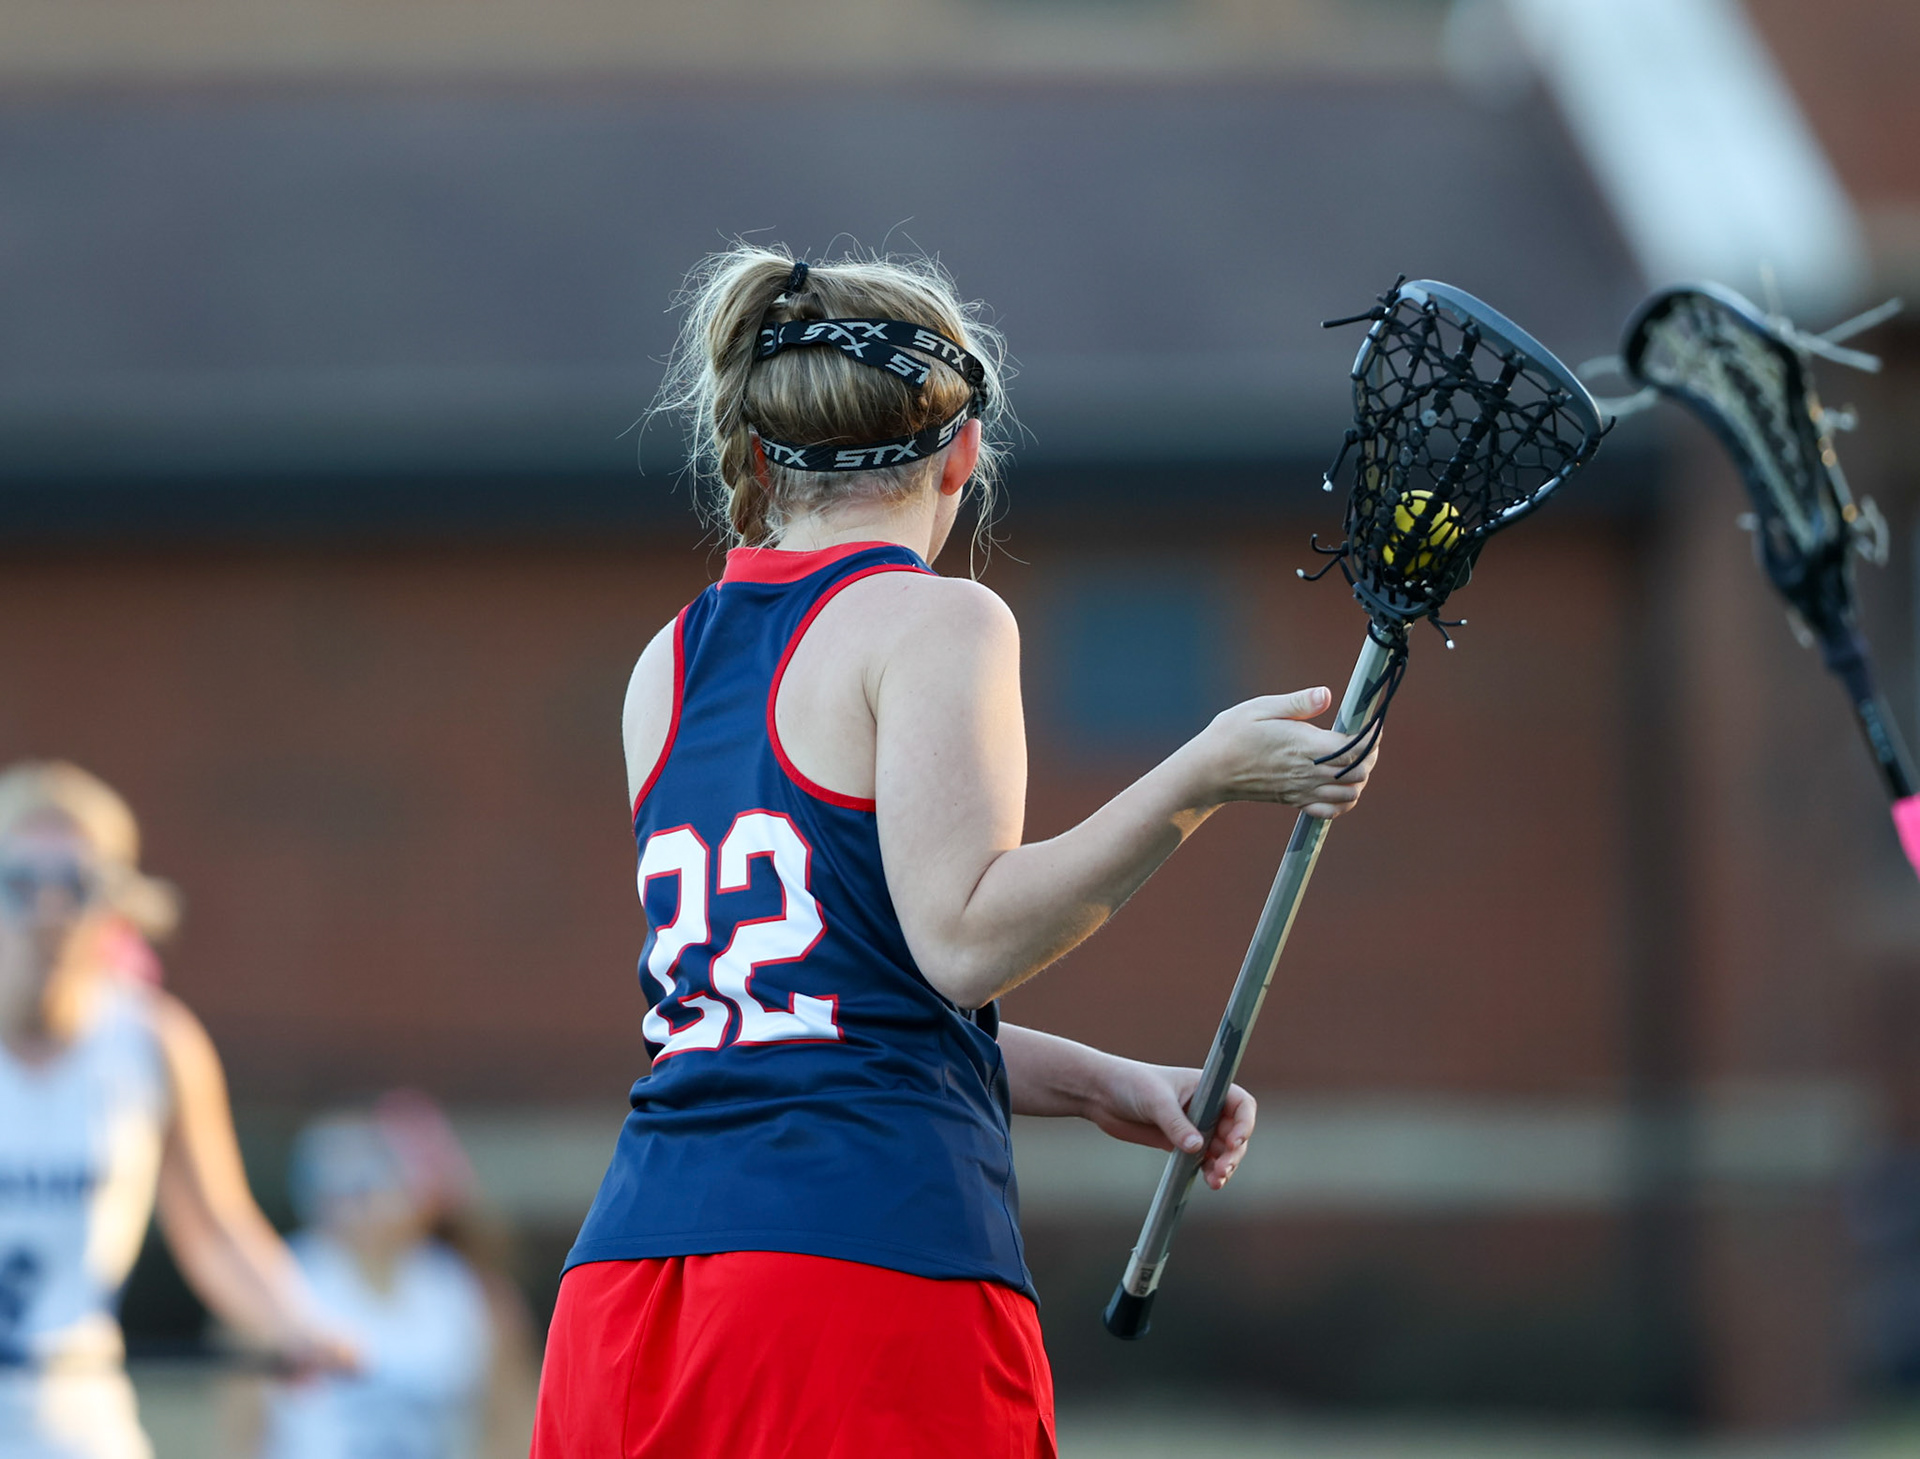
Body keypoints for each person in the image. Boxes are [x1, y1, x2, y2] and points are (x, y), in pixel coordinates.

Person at [530, 247, 1379, 1458]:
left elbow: (820, 1001)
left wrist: (1104, 1086)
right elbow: (965, 940)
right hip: (857, 1272)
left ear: (765, 453)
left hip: (624, 1296)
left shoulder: (666, 662)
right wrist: (1200, 778)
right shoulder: (939, 620)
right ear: (962, 454)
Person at [0, 760, 353, 1459]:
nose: (47, 911)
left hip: (73, 1425)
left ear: (115, 905)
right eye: (20, 884)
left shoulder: (152, 1041)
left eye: (75, 886)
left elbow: (217, 1228)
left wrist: (298, 1321)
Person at [244, 1094, 536, 1459]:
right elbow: (244, 1437)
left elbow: (513, 1430)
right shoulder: (272, 1284)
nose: (359, 1193)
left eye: (380, 1173)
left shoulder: (478, 1299)